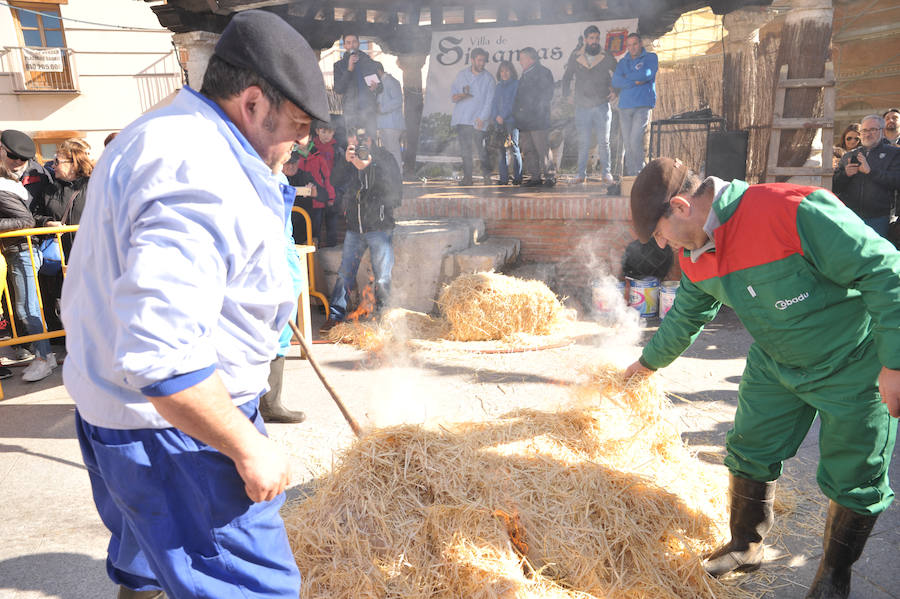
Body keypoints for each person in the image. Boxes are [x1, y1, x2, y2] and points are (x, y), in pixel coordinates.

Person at [59, 10, 330, 598]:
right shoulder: (200, 171)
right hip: (180, 432)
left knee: (147, 563)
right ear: (253, 103)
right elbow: (165, 360)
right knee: (256, 589)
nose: (303, 141)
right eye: (299, 123)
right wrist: (248, 446)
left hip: (118, 410)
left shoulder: (165, 132)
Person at [624, 157, 900, 599]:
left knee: (856, 474)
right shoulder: (696, 255)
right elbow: (686, 317)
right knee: (749, 448)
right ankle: (745, 545)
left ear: (679, 206)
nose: (661, 245)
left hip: (854, 361)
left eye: (659, 233)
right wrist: (646, 365)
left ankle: (834, 577)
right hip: (776, 362)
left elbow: (885, 270)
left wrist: (895, 362)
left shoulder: (789, 209)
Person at [320, 128, 400, 333]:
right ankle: (336, 317)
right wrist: (346, 162)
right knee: (345, 273)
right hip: (354, 227)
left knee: (382, 276)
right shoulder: (348, 159)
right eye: (352, 138)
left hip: (379, 226)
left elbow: (395, 194)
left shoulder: (385, 158)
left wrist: (370, 166)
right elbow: (334, 181)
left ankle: (383, 318)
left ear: (371, 139)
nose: (356, 143)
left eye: (360, 138)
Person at [32, 138, 93, 333]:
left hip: (90, 256)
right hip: (60, 259)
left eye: (57, 161)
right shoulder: (50, 189)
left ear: (74, 164)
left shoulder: (93, 185)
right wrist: (46, 223)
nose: (52, 165)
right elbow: (35, 214)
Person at [0, 163, 53, 381]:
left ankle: (43, 358)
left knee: (27, 308)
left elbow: (26, 220)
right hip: (17, 251)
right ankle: (44, 356)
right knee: (25, 308)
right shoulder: (7, 187)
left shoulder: (2, 190)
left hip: (22, 251)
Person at [562, 25, 618, 185]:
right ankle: (581, 174)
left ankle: (606, 174)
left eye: (597, 38)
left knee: (604, 141)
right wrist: (567, 95)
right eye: (591, 38)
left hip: (601, 104)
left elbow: (619, 72)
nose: (594, 41)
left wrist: (616, 91)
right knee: (583, 141)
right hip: (582, 106)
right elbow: (566, 77)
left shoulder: (606, 55)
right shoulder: (575, 56)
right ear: (585, 39)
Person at [833, 114, 900, 238]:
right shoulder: (849, 156)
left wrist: (870, 172)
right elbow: (834, 186)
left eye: (873, 130)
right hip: (850, 218)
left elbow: (896, 181)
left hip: (879, 218)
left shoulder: (894, 154)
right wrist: (845, 175)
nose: (868, 134)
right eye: (864, 130)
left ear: (882, 131)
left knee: (874, 255)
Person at [612, 33, 658, 176]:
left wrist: (627, 77)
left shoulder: (651, 57)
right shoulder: (622, 62)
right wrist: (634, 80)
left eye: (635, 44)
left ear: (640, 44)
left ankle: (640, 174)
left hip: (642, 105)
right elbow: (615, 81)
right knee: (627, 143)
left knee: (634, 140)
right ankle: (631, 176)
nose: (632, 48)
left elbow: (647, 74)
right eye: (629, 45)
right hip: (625, 106)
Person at [450, 47, 495, 186]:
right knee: (465, 151)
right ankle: (468, 178)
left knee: (482, 150)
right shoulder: (461, 75)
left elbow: (490, 101)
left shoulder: (488, 78)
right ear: (472, 60)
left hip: (478, 120)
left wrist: (482, 118)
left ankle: (487, 177)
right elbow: (454, 95)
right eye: (479, 60)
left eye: (484, 61)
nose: (482, 63)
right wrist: (458, 96)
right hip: (463, 118)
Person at [513, 47, 556, 187]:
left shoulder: (543, 72)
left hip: (538, 119)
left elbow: (547, 95)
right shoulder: (524, 75)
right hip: (525, 121)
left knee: (542, 148)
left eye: (521, 58)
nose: (520, 61)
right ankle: (535, 177)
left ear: (530, 58)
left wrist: (533, 109)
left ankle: (550, 176)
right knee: (528, 150)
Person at [333, 32, 379, 137]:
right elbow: (338, 89)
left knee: (370, 143)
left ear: (358, 43)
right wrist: (349, 69)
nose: (351, 45)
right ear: (344, 46)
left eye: (354, 42)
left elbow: (380, 87)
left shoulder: (367, 61)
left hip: (368, 111)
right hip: (351, 113)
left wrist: (376, 87)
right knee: (354, 143)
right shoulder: (339, 66)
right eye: (348, 43)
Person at [0, 129, 55, 210]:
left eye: (23, 158)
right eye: (13, 156)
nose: (18, 161)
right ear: (1, 149)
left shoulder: (40, 174)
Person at [490, 60, 522, 185]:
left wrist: (503, 116)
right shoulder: (498, 86)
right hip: (499, 122)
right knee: (501, 150)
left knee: (514, 148)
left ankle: (518, 178)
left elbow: (513, 103)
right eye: (502, 71)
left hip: (511, 121)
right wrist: (495, 117)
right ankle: (503, 179)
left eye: (507, 71)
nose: (504, 73)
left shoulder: (516, 84)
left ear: (512, 72)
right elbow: (494, 104)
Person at [374, 62, 405, 178]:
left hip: (392, 123)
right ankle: (392, 175)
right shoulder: (380, 83)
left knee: (393, 150)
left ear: (378, 71)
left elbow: (397, 100)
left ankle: (398, 175)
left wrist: (381, 108)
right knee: (388, 151)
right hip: (384, 123)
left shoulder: (391, 81)